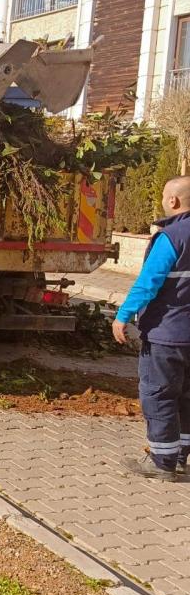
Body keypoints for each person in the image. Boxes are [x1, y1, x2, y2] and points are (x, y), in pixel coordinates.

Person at [113, 175, 190, 481]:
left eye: (162, 196)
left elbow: (149, 282)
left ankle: (162, 461)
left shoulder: (171, 237)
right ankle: (181, 455)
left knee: (158, 395)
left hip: (166, 334)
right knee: (186, 396)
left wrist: (123, 315)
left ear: (172, 201)